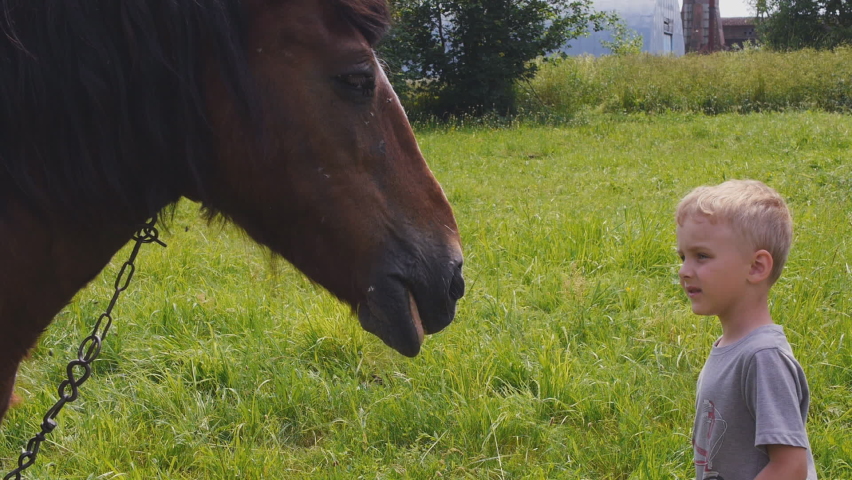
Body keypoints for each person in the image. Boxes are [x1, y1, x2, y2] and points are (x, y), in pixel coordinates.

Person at [675, 179, 817, 480]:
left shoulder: (762, 357)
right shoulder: (732, 346)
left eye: (702, 256)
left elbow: (790, 467)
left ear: (755, 267)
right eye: (682, 256)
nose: (684, 270)